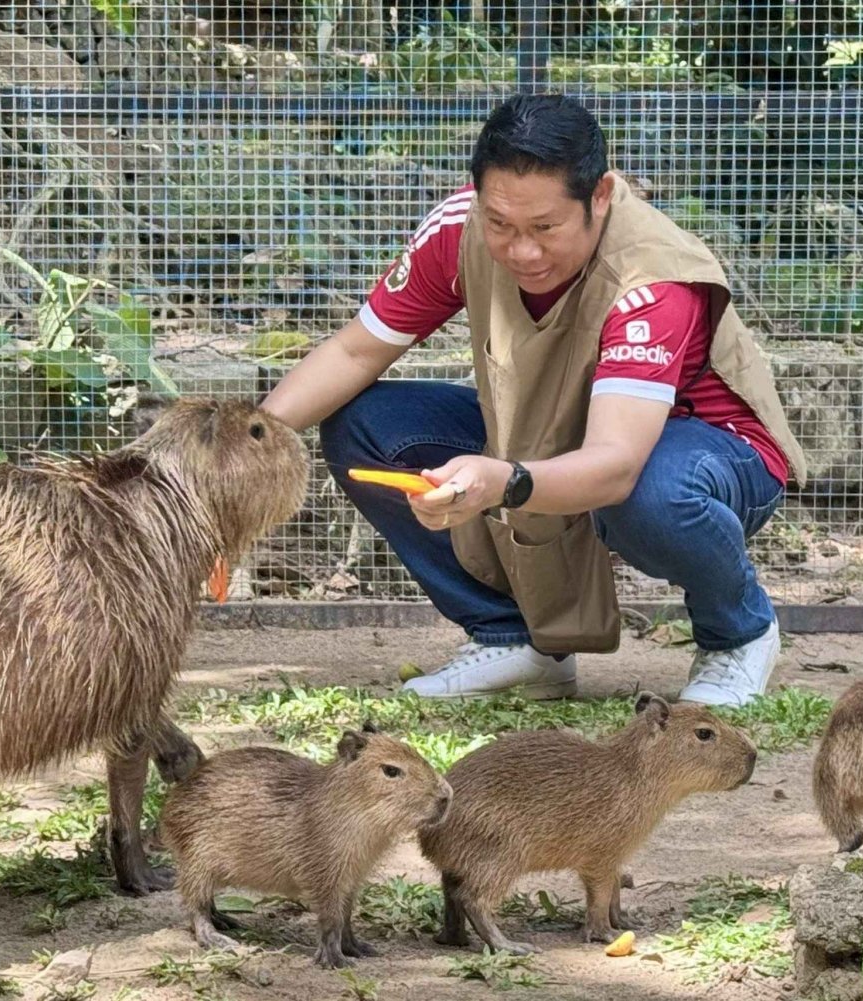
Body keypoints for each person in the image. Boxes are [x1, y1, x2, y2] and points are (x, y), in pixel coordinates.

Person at [259, 93, 808, 707]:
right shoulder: (457, 230)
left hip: (707, 454)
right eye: (501, 224)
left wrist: (504, 481)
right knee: (366, 425)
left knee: (654, 492)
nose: (522, 251)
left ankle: (738, 635)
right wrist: (244, 444)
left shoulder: (654, 280)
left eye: (545, 228)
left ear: (599, 196)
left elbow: (616, 462)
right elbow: (354, 354)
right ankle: (513, 640)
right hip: (556, 438)